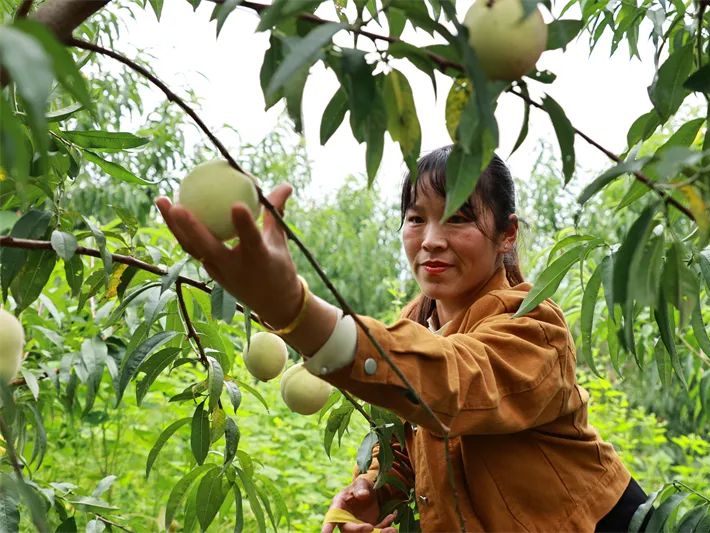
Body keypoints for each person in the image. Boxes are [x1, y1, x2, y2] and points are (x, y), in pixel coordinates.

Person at [156, 146, 649, 532]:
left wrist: (296, 311)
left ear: (507, 233)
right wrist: (377, 488)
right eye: (417, 218)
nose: (431, 239)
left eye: (457, 217)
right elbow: (415, 436)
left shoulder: (535, 327)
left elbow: (449, 385)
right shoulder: (416, 322)